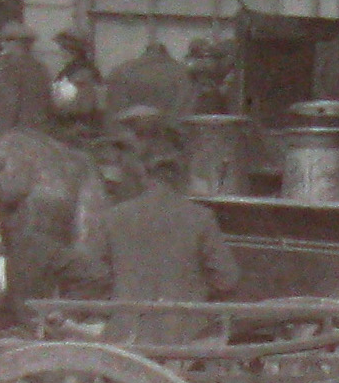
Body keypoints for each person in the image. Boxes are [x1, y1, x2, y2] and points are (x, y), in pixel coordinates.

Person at [79, 127, 240, 347]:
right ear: (181, 175)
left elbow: (92, 277)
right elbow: (227, 278)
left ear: (144, 174)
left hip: (126, 339)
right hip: (185, 342)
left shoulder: (114, 217)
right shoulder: (201, 218)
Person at [104, 36, 193, 124]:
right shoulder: (180, 72)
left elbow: (114, 104)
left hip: (130, 123)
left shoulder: (122, 70)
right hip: (163, 126)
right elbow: (183, 102)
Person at [0, 21, 53, 133]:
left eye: (6, 40)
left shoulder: (8, 66)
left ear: (15, 43)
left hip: (18, 130)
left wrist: (1, 132)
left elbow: (10, 102)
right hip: (40, 128)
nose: (2, 44)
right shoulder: (39, 67)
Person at [48, 25, 105, 139]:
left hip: (78, 129)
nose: (62, 52)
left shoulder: (83, 74)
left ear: (74, 51)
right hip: (68, 125)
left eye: (64, 48)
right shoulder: (69, 72)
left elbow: (84, 106)